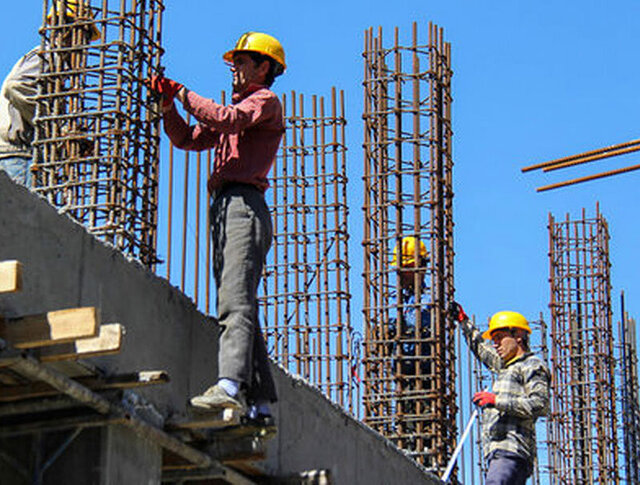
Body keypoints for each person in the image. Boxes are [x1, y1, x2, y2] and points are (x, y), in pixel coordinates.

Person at [147, 32, 286, 426]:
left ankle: (228, 386)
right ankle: (259, 403)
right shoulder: (239, 109)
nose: (235, 68)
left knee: (235, 301)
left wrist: (183, 92)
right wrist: (168, 105)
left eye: (243, 61)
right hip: (225, 206)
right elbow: (186, 138)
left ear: (265, 67)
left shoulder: (264, 103)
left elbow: (226, 119)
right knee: (238, 302)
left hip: (244, 205)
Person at [0, 0, 100, 186]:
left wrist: (68, 143)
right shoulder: (49, 55)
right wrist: (57, 130)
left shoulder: (55, 67)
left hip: (19, 155)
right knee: (23, 214)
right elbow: (15, 86)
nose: (84, 47)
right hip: (17, 156)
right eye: (83, 37)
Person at [449, 303, 550, 485]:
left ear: (518, 336)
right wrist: (464, 322)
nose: (495, 344)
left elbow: (539, 404)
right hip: (497, 452)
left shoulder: (532, 366)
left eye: (499, 338)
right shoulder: (505, 365)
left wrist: (496, 400)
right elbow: (482, 348)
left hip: (512, 450)